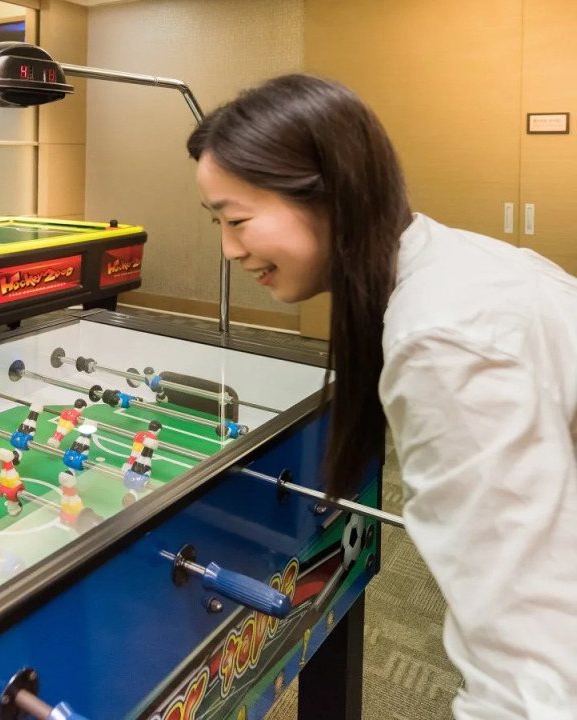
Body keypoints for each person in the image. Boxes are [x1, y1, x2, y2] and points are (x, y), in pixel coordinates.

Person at [188, 74, 576, 719]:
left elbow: (532, 666)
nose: (229, 249)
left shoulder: (440, 341)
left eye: (236, 220)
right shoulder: (456, 263)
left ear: (329, 194)